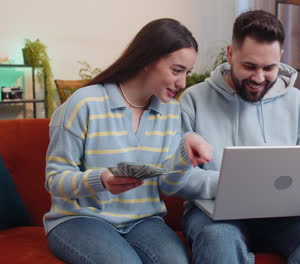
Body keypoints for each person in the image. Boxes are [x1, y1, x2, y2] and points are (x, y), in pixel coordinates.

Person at [177, 10, 300, 264]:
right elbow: (179, 177)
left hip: (286, 216)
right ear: (230, 54)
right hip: (213, 214)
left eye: (269, 67)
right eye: (249, 66)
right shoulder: (194, 100)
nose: (259, 78)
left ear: (281, 57)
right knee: (218, 239)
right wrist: (231, 184)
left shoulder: (295, 102)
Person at [43, 18, 212, 264]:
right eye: (176, 70)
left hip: (143, 220)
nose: (183, 82)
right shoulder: (85, 103)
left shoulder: (170, 112)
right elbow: (54, 180)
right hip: (80, 218)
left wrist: (185, 157)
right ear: (147, 60)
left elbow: (166, 185)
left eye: (187, 73)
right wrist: (101, 179)